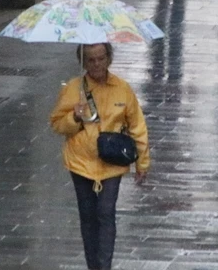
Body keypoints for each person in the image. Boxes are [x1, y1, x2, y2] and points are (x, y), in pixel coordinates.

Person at [50, 43, 149, 270]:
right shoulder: (74, 89)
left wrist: (142, 162)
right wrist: (74, 118)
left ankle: (104, 266)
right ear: (83, 62)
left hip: (111, 162)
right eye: (91, 60)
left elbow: (137, 126)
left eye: (101, 58)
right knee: (88, 217)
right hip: (80, 162)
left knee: (105, 213)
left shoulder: (123, 89)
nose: (97, 64)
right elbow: (57, 125)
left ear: (109, 58)